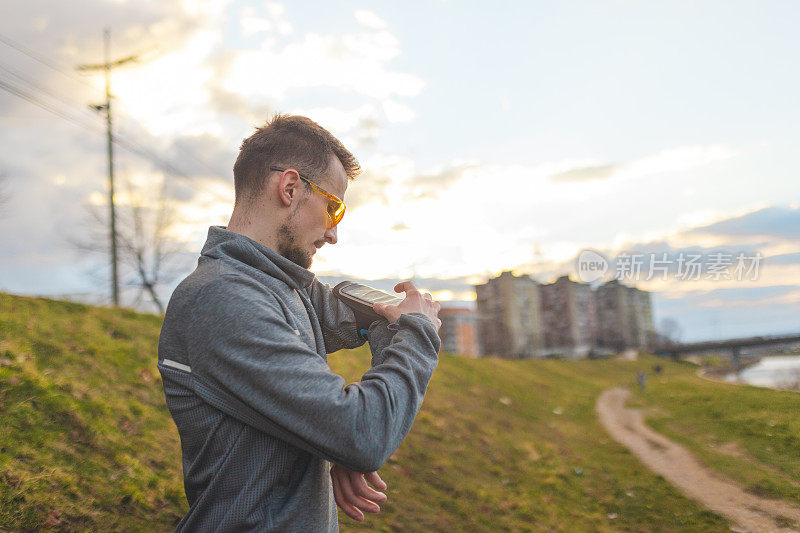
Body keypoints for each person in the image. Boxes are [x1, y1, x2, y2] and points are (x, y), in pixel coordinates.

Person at [157, 114, 442, 531]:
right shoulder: (224, 299)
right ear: (290, 188)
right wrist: (416, 334)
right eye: (333, 208)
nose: (332, 234)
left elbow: (361, 313)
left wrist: (332, 443)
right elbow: (362, 434)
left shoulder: (278, 285)